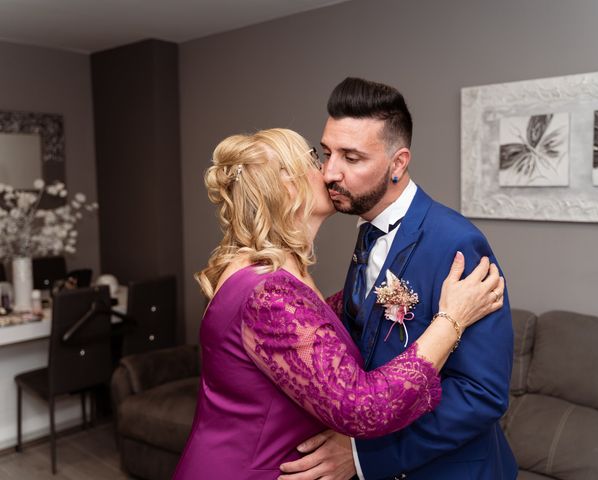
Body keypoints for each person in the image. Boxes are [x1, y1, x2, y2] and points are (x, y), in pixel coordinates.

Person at [172, 128, 505, 480]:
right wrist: (452, 318)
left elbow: (324, 329)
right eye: (316, 160)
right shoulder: (269, 294)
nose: (330, 172)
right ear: (288, 189)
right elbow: (362, 408)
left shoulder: (277, 272)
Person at [279, 78, 517, 480]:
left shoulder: (457, 243)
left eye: (351, 158)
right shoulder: (368, 229)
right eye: (327, 153)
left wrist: (361, 455)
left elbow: (483, 393)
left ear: (398, 163)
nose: (329, 172)